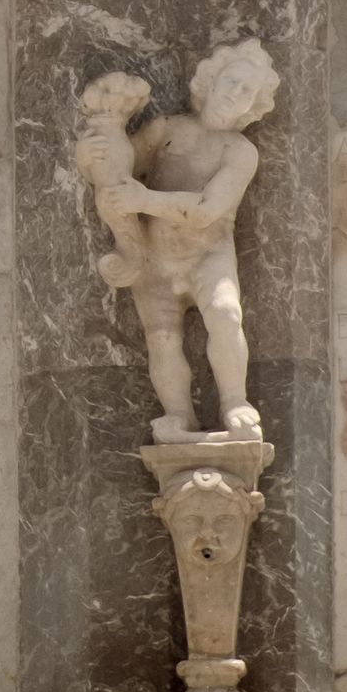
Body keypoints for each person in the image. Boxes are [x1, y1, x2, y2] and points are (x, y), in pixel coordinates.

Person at [77, 40, 278, 438]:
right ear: (211, 82)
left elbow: (206, 208)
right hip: (154, 258)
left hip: (209, 256)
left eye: (245, 93)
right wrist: (92, 154)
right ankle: (177, 414)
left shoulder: (240, 152)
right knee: (162, 338)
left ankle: (235, 401)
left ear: (251, 108)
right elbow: (121, 166)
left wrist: (145, 198)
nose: (234, 96)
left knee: (225, 313)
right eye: (231, 82)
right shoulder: (168, 129)